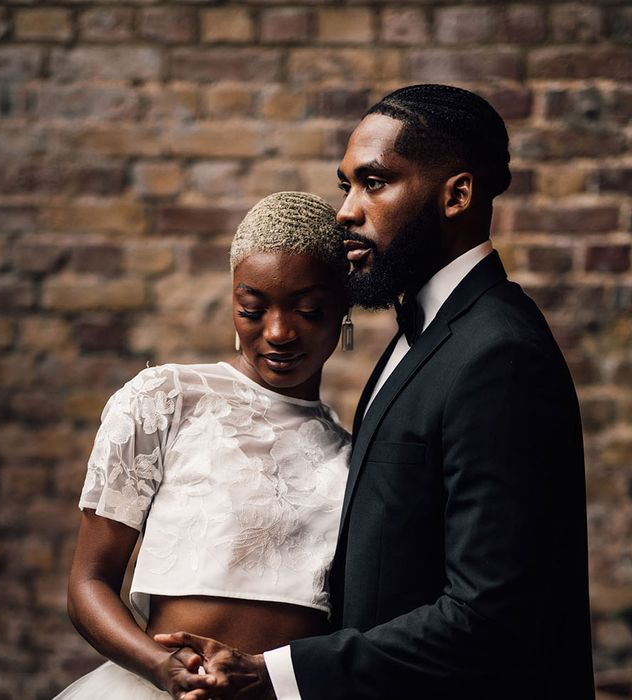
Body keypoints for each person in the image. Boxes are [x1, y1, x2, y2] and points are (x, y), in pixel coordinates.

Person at [155, 84, 595, 699]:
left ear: (457, 195)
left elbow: (489, 616)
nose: (346, 211)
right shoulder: (423, 334)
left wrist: (276, 672)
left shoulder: (500, 355)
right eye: (346, 186)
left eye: (375, 182)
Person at [54, 191, 353, 699]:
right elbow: (89, 584)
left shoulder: (353, 451)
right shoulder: (166, 400)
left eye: (308, 310)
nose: (279, 332)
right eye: (252, 309)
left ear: (343, 309)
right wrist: (161, 668)